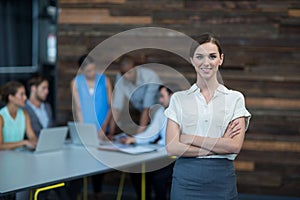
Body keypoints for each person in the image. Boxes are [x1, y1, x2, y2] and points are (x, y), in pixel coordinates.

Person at [165, 33, 251, 200]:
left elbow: (233, 147)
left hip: (221, 180)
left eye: (212, 56)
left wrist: (187, 137)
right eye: (200, 56)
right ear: (192, 60)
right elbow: (172, 148)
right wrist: (218, 145)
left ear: (221, 59)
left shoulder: (235, 99)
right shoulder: (179, 99)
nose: (206, 62)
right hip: (185, 181)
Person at [120, 85, 177, 200]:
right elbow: (152, 133)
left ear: (172, 96)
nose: (160, 100)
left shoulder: (183, 113)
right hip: (159, 154)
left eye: (162, 96)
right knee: (136, 172)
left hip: (174, 157)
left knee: (158, 177)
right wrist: (134, 139)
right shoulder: (161, 112)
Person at [71, 54, 112, 200]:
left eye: (94, 69)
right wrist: (84, 131)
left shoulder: (105, 80)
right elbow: (78, 109)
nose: (92, 73)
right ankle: (80, 194)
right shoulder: (76, 82)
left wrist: (103, 129)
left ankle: (97, 193)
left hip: (102, 129)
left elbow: (110, 107)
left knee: (99, 165)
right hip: (86, 129)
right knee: (83, 163)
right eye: (88, 71)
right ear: (82, 71)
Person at [109, 55, 161, 139]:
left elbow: (146, 109)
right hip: (144, 118)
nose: (126, 76)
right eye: (123, 73)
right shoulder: (120, 78)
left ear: (136, 68)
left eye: (129, 72)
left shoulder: (150, 76)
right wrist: (110, 133)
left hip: (160, 115)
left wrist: (135, 139)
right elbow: (116, 108)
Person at [0, 81, 37, 150]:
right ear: (11, 97)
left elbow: (32, 136)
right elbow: (0, 145)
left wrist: (34, 141)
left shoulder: (25, 114)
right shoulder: (1, 116)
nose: (25, 98)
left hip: (21, 156)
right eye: (22, 94)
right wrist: (23, 142)